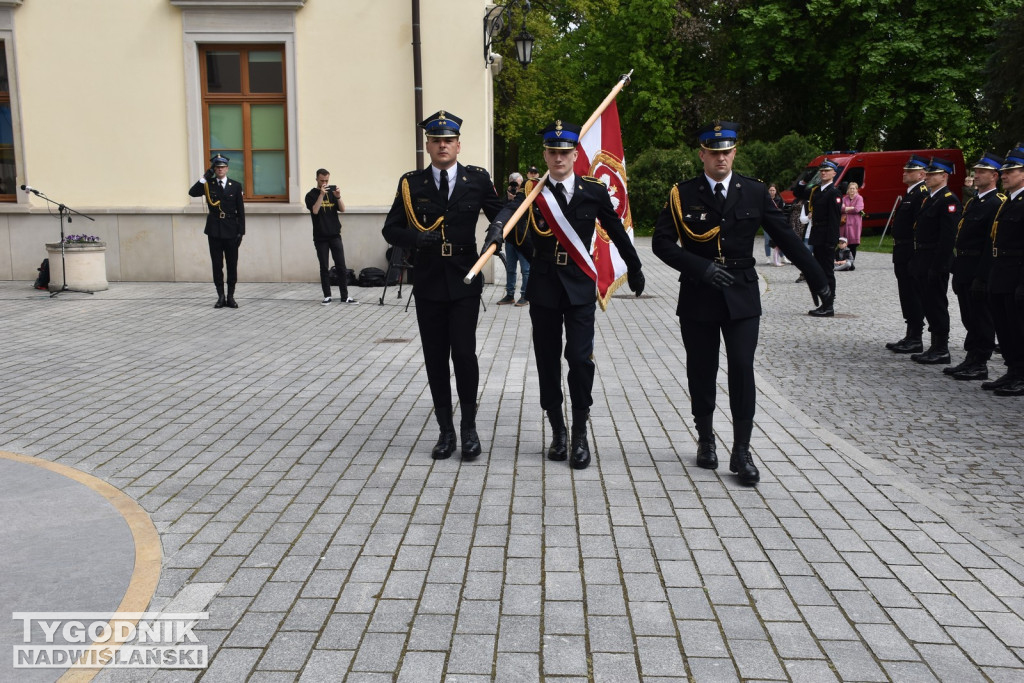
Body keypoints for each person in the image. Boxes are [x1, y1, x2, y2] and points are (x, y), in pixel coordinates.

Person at [652, 121, 830, 486]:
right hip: (700, 293)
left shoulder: (753, 191)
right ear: (701, 154)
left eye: (727, 151)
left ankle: (742, 450)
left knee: (742, 370)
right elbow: (662, 244)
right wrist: (700, 268)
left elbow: (786, 236)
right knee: (701, 370)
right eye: (713, 151)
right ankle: (705, 439)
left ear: (735, 152)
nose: (721, 157)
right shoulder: (682, 194)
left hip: (742, 292)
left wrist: (818, 276)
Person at [490, 120, 645, 470]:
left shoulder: (593, 189)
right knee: (547, 360)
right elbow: (507, 210)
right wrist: (497, 228)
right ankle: (557, 430)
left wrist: (634, 267)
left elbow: (615, 229)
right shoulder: (534, 191)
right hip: (543, 287)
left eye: (564, 152)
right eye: (552, 152)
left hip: (578, 286)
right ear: (545, 154)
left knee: (578, 359)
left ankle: (579, 432)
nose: (558, 158)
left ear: (575, 154)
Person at [381, 110, 504, 460]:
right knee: (435, 357)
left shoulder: (476, 180)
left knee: (464, 354)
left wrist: (496, 234)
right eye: (436, 141)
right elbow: (390, 229)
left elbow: (502, 213)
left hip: (466, 278)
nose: (443, 146)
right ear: (428, 146)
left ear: (458, 145)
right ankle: (445, 431)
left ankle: (468, 428)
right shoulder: (411, 184)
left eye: (448, 141)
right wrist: (416, 238)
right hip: (430, 280)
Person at [945, 152, 1004, 381]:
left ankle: (980, 361)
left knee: (981, 317)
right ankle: (971, 357)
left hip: (979, 267)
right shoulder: (974, 201)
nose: (975, 175)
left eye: (981, 172)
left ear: (994, 176)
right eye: (976, 171)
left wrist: (983, 275)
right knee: (969, 316)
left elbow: (991, 242)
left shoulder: (996, 203)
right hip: (964, 266)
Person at [908, 157, 961, 365]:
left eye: (932, 174)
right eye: (927, 174)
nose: (928, 177)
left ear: (944, 176)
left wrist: (938, 266)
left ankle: (941, 348)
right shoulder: (930, 198)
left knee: (937, 304)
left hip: (935, 260)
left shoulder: (948, 200)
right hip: (923, 257)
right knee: (928, 304)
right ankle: (934, 345)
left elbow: (947, 239)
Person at [984, 145, 1024, 396]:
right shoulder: (1008, 202)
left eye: (1011, 170)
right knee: (1004, 325)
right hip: (1001, 271)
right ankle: (1012, 369)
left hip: (1018, 272)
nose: (1005, 174)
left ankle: (1021, 374)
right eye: (1005, 170)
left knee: (1018, 326)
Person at [886, 155, 931, 354]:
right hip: (901, 250)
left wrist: (915, 255)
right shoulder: (910, 193)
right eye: (905, 170)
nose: (905, 173)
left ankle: (916, 337)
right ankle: (910, 333)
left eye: (910, 171)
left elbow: (919, 228)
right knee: (906, 293)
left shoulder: (921, 193)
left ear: (922, 174)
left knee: (913, 294)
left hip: (910, 251)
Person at [189, 154, 245, 308]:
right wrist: (204, 177)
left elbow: (241, 212)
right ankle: (220, 296)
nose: (220, 169)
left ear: (227, 168)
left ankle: (231, 296)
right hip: (214, 230)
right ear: (214, 169)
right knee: (217, 265)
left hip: (231, 230)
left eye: (222, 167)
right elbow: (192, 192)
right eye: (217, 167)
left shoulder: (236, 186)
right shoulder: (209, 184)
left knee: (232, 265)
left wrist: (241, 232)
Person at [792, 159, 841, 316]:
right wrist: (805, 179)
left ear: (834, 173)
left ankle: (829, 305)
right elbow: (798, 193)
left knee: (827, 271)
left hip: (826, 237)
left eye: (827, 170)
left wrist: (832, 241)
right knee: (818, 271)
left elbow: (834, 220)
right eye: (821, 171)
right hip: (816, 234)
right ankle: (823, 303)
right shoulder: (817, 191)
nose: (823, 173)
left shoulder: (834, 193)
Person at [305, 168, 355, 305]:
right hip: (320, 237)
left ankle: (345, 296)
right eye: (322, 180)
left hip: (335, 235)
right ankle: (327, 295)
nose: (324, 183)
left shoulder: (332, 194)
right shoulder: (310, 195)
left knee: (341, 266)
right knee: (324, 267)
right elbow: (315, 211)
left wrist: (338, 196)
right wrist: (321, 195)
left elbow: (343, 209)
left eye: (327, 180)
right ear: (316, 179)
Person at [496, 172, 530, 306]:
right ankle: (510, 295)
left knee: (526, 270)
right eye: (512, 183)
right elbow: (500, 213)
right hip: (510, 239)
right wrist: (509, 200)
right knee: (510, 268)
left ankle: (525, 295)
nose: (515, 186)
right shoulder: (506, 198)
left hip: (522, 239)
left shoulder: (526, 197)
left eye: (517, 183)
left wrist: (517, 199)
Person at [841, 181, 864, 258]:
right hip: (844, 222)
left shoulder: (859, 198)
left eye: (854, 189)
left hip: (855, 223)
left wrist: (846, 209)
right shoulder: (844, 198)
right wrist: (851, 208)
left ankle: (852, 260)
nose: (852, 190)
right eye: (850, 188)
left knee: (853, 243)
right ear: (848, 189)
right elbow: (840, 209)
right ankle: (844, 260)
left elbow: (857, 209)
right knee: (843, 242)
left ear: (857, 190)